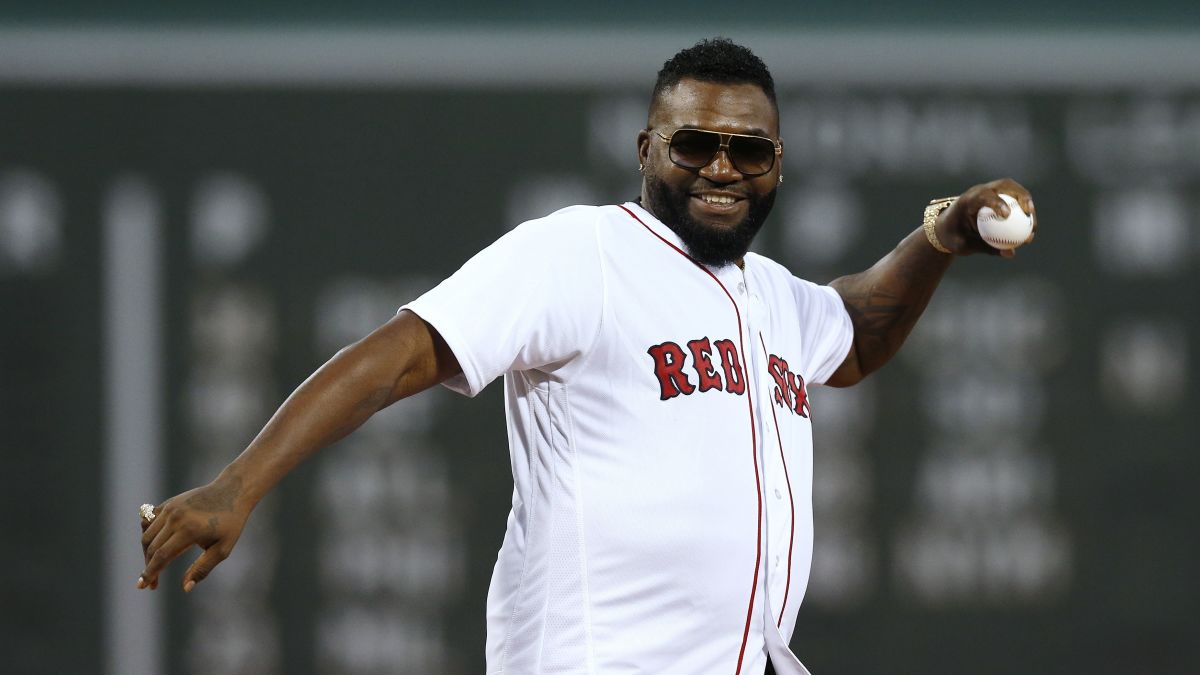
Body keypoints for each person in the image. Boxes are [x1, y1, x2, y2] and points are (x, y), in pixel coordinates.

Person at [136, 38, 1036, 674]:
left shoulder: (774, 298)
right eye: (695, 143)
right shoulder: (583, 253)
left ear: (776, 165)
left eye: (747, 149)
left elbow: (859, 328)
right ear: (648, 150)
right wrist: (239, 483)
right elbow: (402, 353)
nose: (721, 167)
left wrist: (944, 232)